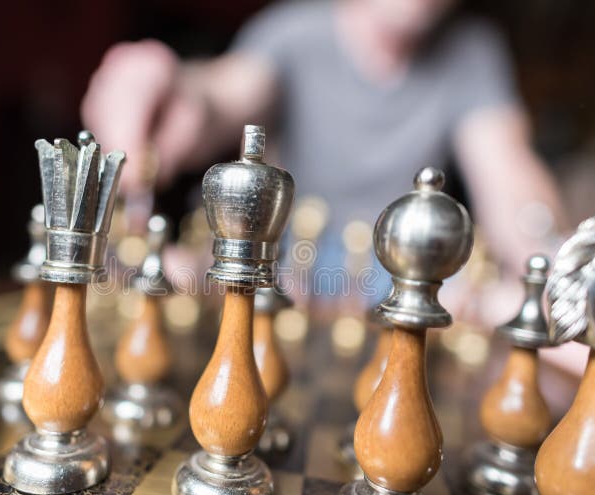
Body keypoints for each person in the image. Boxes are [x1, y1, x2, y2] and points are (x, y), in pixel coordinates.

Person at [81, 0, 567, 323]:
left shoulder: (472, 52)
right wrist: (182, 96)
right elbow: (223, 96)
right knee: (167, 268)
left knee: (500, 301)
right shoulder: (295, 30)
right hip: (288, 269)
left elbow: (507, 172)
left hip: (392, 281)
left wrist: (549, 256)